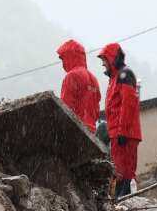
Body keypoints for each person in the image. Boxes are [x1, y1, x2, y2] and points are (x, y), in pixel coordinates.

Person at [98, 43, 141, 198]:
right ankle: (121, 202)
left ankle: (125, 203)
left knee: (125, 173)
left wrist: (122, 131)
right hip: (118, 132)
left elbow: (128, 105)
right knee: (119, 172)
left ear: (112, 58)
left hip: (124, 133)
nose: (102, 64)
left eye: (104, 59)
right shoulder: (116, 77)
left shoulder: (124, 75)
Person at [57, 39, 101, 131]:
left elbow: (65, 107)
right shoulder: (94, 79)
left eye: (63, 59)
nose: (63, 63)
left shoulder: (72, 76)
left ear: (69, 57)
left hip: (76, 129)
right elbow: (96, 111)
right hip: (91, 130)